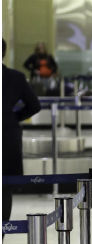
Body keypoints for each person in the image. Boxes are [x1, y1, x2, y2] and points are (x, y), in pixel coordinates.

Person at [3, 38, 41, 224]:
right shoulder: (16, 77)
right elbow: (34, 105)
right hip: (7, 135)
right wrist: (13, 117)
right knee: (4, 188)